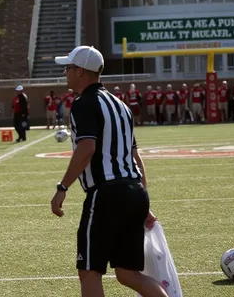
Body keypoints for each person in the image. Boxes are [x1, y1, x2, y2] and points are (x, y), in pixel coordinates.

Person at [49, 46, 167, 297]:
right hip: (135, 192)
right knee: (127, 273)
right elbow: (135, 156)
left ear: (80, 71)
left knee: (90, 271)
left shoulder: (83, 103)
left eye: (68, 67)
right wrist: (144, 200)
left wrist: (62, 187)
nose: (65, 72)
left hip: (106, 195)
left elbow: (86, 148)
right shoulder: (121, 105)